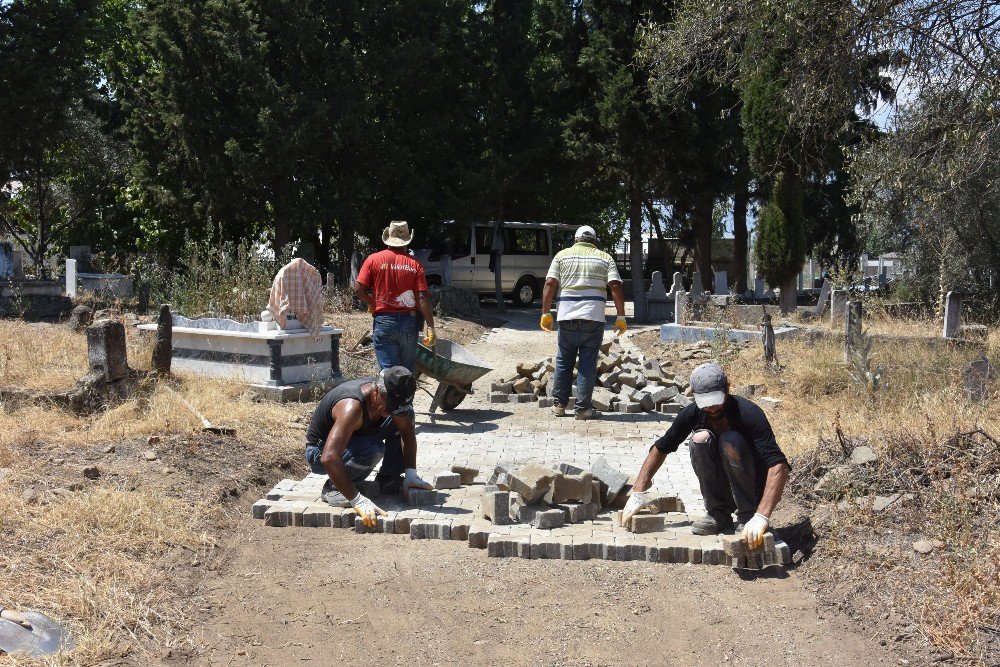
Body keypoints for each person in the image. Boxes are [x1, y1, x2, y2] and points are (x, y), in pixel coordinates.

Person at [620, 362, 790, 549]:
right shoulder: (692, 413)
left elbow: (778, 465)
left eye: (716, 400)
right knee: (699, 439)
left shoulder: (749, 413)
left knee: (730, 440)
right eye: (706, 403)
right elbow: (662, 447)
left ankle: (748, 515)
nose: (713, 408)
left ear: (727, 387)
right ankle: (718, 514)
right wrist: (638, 491)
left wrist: (761, 516)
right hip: (724, 487)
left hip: (754, 486)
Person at [304, 366, 433, 527]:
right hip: (320, 451)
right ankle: (333, 487)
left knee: (406, 416)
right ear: (376, 392)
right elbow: (329, 458)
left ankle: (389, 479)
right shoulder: (351, 407)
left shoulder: (386, 401)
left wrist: (411, 472)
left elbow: (406, 431)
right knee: (373, 449)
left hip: (355, 438)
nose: (389, 411)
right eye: (389, 405)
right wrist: (357, 500)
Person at [540, 225, 626, 420]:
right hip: (593, 318)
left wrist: (546, 313)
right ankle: (583, 409)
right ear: (593, 240)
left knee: (564, 360)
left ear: (576, 239)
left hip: (566, 317)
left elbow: (550, 283)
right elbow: (615, 286)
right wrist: (620, 316)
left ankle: (559, 406)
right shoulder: (605, 258)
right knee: (587, 364)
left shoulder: (561, 256)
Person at [355, 220, 436, 372]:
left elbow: (358, 289)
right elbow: (423, 299)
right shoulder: (415, 264)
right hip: (408, 322)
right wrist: (430, 326)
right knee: (407, 372)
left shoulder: (373, 259)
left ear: (388, 240)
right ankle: (405, 396)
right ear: (406, 242)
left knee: (387, 372)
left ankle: (388, 395)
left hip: (384, 321)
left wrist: (372, 302)